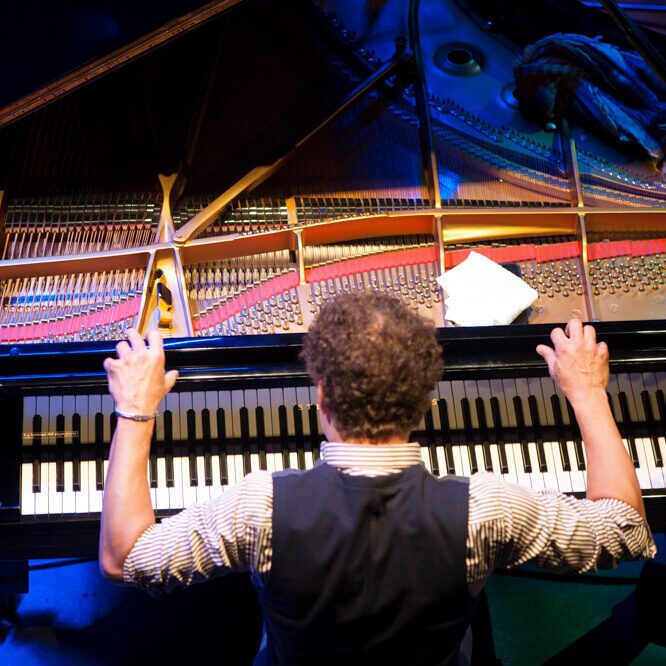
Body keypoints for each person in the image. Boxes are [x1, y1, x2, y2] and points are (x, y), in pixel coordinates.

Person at [100, 290, 655, 665]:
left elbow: (125, 558)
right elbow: (626, 529)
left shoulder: (256, 508)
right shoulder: (489, 509)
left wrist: (135, 411)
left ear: (321, 398)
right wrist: (586, 393)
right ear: (423, 403)